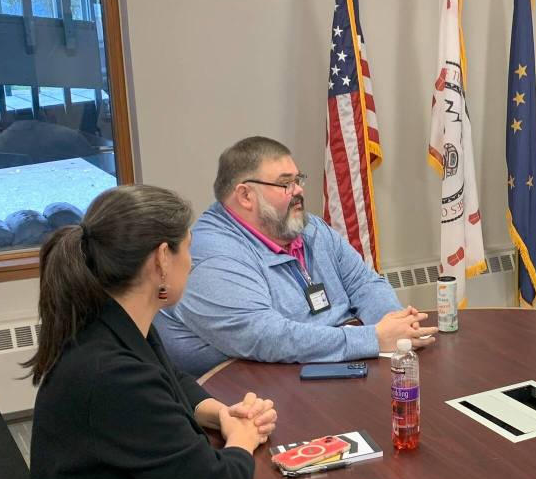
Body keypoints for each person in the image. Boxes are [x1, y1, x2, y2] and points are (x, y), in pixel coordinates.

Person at [9, 185, 335, 479]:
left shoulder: (111, 325)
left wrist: (220, 414)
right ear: (161, 260)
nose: (194, 263)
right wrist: (242, 441)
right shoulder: (112, 375)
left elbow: (174, 383)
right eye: (188, 250)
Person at [156, 136, 436, 376]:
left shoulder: (308, 226)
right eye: (285, 184)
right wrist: (373, 338)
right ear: (245, 196)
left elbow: (365, 283)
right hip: (245, 394)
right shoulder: (212, 254)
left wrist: (396, 327)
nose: (299, 190)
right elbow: (267, 337)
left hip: (322, 367)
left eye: (298, 180)